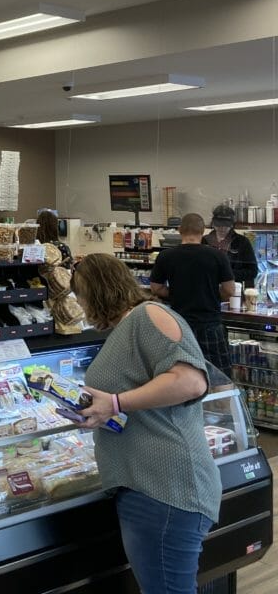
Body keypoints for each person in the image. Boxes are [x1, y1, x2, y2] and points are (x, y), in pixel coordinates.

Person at [72, 254, 221, 594]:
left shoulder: (148, 315)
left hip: (166, 488)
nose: (79, 307)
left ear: (94, 291)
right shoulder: (128, 326)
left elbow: (190, 381)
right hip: (147, 487)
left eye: (79, 296)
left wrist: (114, 403)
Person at [150, 213, 235, 378]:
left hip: (178, 326)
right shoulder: (218, 255)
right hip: (209, 325)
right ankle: (219, 404)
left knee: (182, 375)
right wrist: (212, 295)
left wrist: (175, 294)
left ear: (179, 230)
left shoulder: (166, 256)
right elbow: (230, 290)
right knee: (219, 377)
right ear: (203, 231)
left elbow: (156, 288)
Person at [35, 210, 85, 334]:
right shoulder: (61, 247)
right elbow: (68, 270)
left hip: (40, 291)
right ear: (55, 226)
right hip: (61, 290)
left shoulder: (35, 247)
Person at [203, 204, 258, 287]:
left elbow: (252, 272)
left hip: (233, 289)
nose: (222, 228)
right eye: (219, 224)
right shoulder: (204, 241)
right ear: (213, 223)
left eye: (226, 225)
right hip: (208, 289)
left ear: (232, 224)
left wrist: (228, 273)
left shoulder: (242, 242)